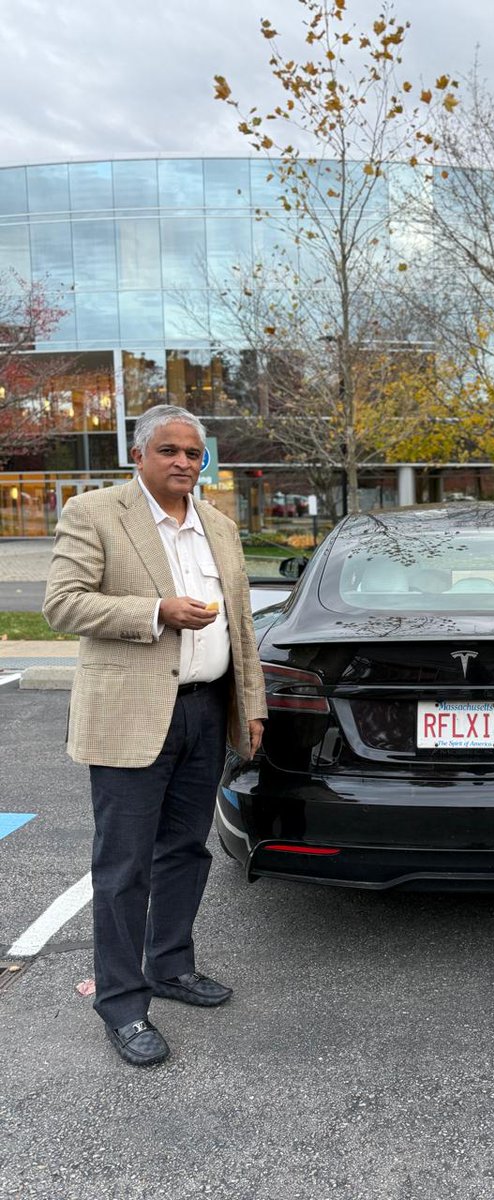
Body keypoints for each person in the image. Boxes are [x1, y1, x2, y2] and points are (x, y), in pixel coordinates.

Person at [43, 405, 267, 1067]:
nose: (184, 463)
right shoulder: (96, 514)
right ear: (136, 455)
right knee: (123, 866)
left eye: (194, 453)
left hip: (205, 713)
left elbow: (242, 630)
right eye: (169, 450)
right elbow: (63, 602)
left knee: (186, 852)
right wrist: (155, 613)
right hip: (132, 715)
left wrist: (249, 704)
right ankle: (122, 1003)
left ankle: (170, 966)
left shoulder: (218, 526)